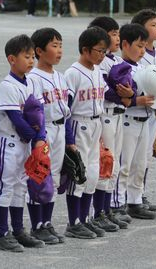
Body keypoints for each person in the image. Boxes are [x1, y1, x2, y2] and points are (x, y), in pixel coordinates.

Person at [0, 35, 47, 252]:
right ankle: (2, 234)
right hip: (10, 143)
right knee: (6, 186)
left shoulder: (32, 81)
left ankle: (18, 230)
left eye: (33, 56)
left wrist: (40, 138)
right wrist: (36, 139)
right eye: (27, 56)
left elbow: (40, 113)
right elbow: (16, 119)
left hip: (27, 143)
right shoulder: (7, 85)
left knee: (20, 187)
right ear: (12, 59)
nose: (31, 61)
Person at [63, 27, 109, 239]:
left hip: (95, 124)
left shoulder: (98, 71)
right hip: (78, 124)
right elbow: (66, 107)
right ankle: (74, 223)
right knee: (79, 174)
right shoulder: (73, 73)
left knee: (92, 174)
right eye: (99, 50)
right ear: (85, 49)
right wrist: (68, 139)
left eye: (104, 51)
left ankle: (85, 219)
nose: (102, 55)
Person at [87, 17, 133, 230]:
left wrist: (130, 95)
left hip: (118, 116)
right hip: (104, 115)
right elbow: (106, 91)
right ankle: (97, 213)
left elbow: (128, 87)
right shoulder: (99, 62)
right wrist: (124, 98)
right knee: (104, 164)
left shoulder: (115, 61)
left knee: (113, 166)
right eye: (112, 34)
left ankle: (105, 211)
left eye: (117, 33)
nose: (117, 37)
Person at [28, 28, 71, 244]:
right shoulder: (33, 78)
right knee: (39, 176)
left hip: (60, 130)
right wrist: (39, 137)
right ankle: (36, 225)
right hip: (44, 133)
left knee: (53, 178)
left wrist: (70, 140)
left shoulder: (61, 77)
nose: (59, 50)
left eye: (60, 45)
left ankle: (47, 222)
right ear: (39, 51)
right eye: (54, 46)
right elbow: (33, 112)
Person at [113, 23, 156, 220]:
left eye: (144, 46)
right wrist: (137, 98)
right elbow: (122, 96)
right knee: (124, 164)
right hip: (128, 120)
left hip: (144, 120)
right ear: (125, 44)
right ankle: (117, 203)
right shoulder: (121, 69)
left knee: (140, 164)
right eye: (138, 46)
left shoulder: (143, 67)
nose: (142, 50)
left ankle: (135, 200)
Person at [131, 9, 156, 213]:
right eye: (153, 25)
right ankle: (130, 197)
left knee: (146, 157)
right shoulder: (137, 54)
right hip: (139, 110)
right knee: (135, 157)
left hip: (154, 112)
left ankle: (139, 193)